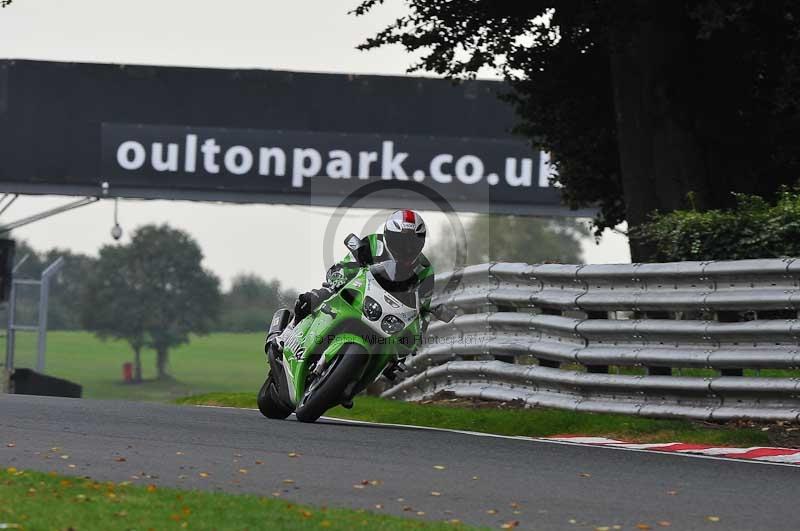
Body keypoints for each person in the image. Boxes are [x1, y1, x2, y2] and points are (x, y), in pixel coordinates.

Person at [291, 209, 435, 331]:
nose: (406, 249)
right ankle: (291, 330)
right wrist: (337, 278)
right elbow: (345, 266)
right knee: (311, 300)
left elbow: (423, 311)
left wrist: (419, 330)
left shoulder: (425, 270)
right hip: (355, 295)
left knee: (400, 357)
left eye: (412, 243)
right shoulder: (373, 243)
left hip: (389, 319)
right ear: (388, 236)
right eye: (400, 241)